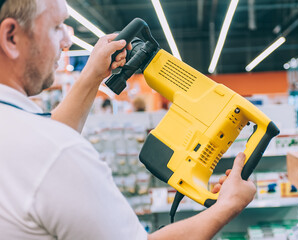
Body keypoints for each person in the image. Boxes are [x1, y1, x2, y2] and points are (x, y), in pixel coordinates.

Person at [0, 0, 256, 239]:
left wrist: (92, 74)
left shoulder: (22, 134)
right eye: (57, 27)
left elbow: (44, 147)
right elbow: (50, 154)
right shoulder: (59, 155)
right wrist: (229, 204)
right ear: (11, 37)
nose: (68, 41)